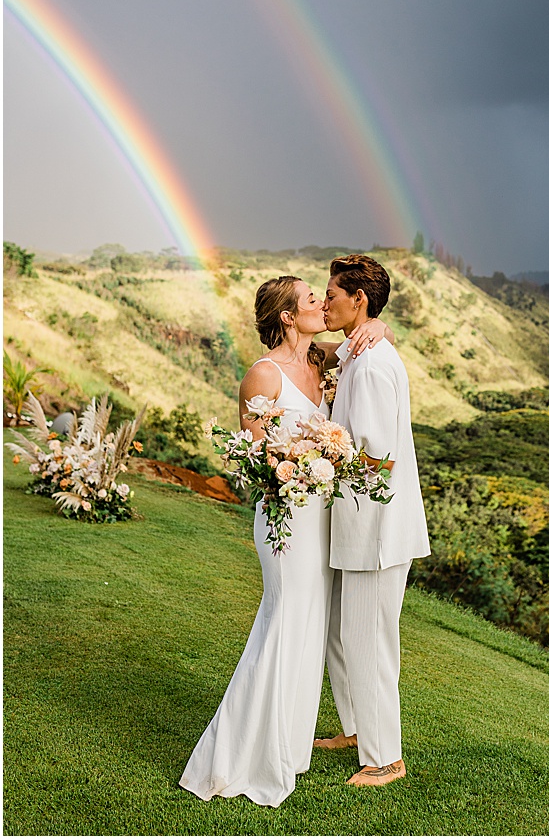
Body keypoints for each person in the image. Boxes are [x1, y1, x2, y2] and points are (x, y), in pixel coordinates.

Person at [179, 276, 387, 807]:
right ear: (288, 316)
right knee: (285, 620)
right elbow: (254, 459)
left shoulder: (323, 362)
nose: (323, 303)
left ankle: (289, 747)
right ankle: (242, 754)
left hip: (323, 519)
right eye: (312, 299)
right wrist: (292, 467)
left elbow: (370, 337)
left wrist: (379, 323)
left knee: (311, 628)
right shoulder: (262, 375)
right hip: (286, 519)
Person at [313, 254, 431, 787]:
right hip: (355, 523)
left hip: (377, 529)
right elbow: (320, 351)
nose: (325, 300)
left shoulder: (376, 363)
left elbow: (378, 455)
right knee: (342, 633)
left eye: (333, 293)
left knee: (371, 639)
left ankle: (387, 759)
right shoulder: (360, 352)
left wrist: (319, 454)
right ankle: (357, 728)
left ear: (358, 299)